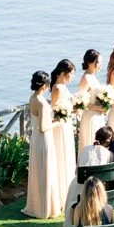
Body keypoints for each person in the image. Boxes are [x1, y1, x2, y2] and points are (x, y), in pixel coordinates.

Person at [23, 70, 63, 219]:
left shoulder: (32, 98)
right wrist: (59, 122)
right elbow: (44, 127)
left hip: (35, 139)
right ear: (45, 85)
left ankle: (37, 205)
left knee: (38, 171)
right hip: (44, 139)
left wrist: (53, 120)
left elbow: (39, 122)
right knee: (46, 170)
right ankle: (46, 207)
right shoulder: (42, 102)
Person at [48, 58, 78, 203]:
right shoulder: (58, 88)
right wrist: (69, 112)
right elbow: (55, 111)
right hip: (60, 127)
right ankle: (61, 193)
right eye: (71, 74)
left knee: (67, 154)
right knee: (61, 155)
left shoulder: (63, 87)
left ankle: (67, 190)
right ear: (63, 73)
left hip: (66, 124)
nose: (72, 77)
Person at [65, 125, 114, 214]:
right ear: (109, 139)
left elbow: (76, 171)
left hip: (78, 186)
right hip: (96, 188)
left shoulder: (85, 149)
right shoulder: (109, 154)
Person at [75, 49, 109, 157]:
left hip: (98, 116)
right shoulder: (86, 79)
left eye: (101, 62)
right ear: (90, 62)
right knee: (91, 144)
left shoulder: (93, 77)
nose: (100, 65)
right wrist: (100, 108)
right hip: (90, 117)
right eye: (98, 62)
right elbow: (81, 102)